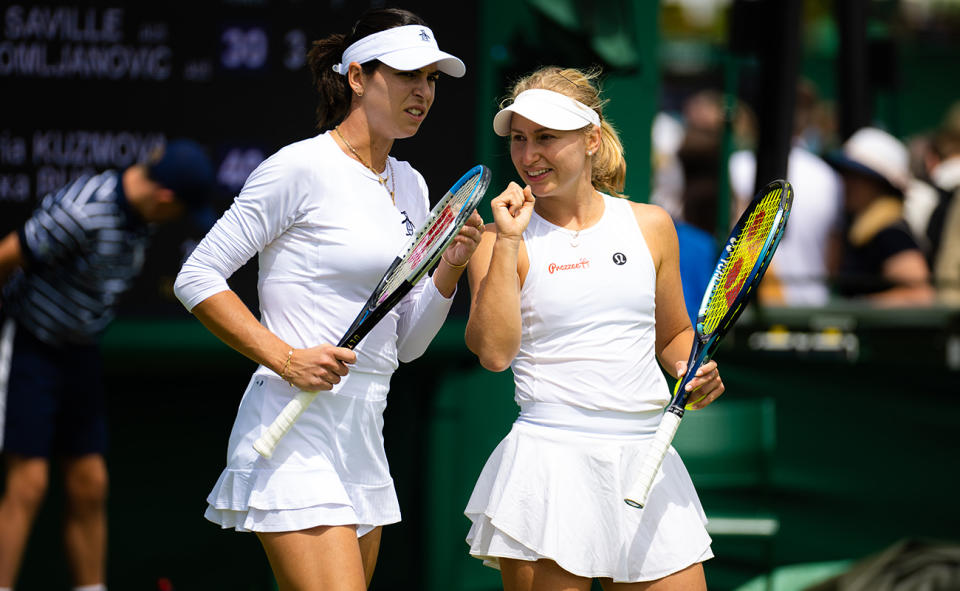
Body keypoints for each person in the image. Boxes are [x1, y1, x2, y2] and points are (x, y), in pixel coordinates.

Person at [172, 8, 481, 591]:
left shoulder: (411, 185)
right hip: (294, 432)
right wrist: (285, 357)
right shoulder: (299, 167)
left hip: (365, 429)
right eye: (409, 74)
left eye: (433, 79)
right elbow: (197, 275)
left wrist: (451, 270)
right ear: (358, 76)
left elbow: (408, 345)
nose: (424, 91)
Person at [462, 66, 725, 590]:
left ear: (591, 139)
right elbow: (493, 353)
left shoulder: (651, 224)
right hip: (548, 467)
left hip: (646, 458)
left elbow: (672, 333)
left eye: (546, 138)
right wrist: (511, 241)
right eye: (519, 139)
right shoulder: (496, 240)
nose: (529, 155)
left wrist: (688, 369)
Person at [0, 139, 216, 591]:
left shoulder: (142, 213)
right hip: (30, 347)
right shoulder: (82, 212)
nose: (176, 223)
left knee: (90, 484)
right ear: (165, 199)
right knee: (29, 483)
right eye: (179, 213)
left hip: (80, 354)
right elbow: (5, 257)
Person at [827, 127, 935, 305]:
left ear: (880, 185)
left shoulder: (890, 233)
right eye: (845, 174)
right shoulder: (861, 228)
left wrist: (859, 308)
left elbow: (920, 295)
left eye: (856, 176)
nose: (846, 183)